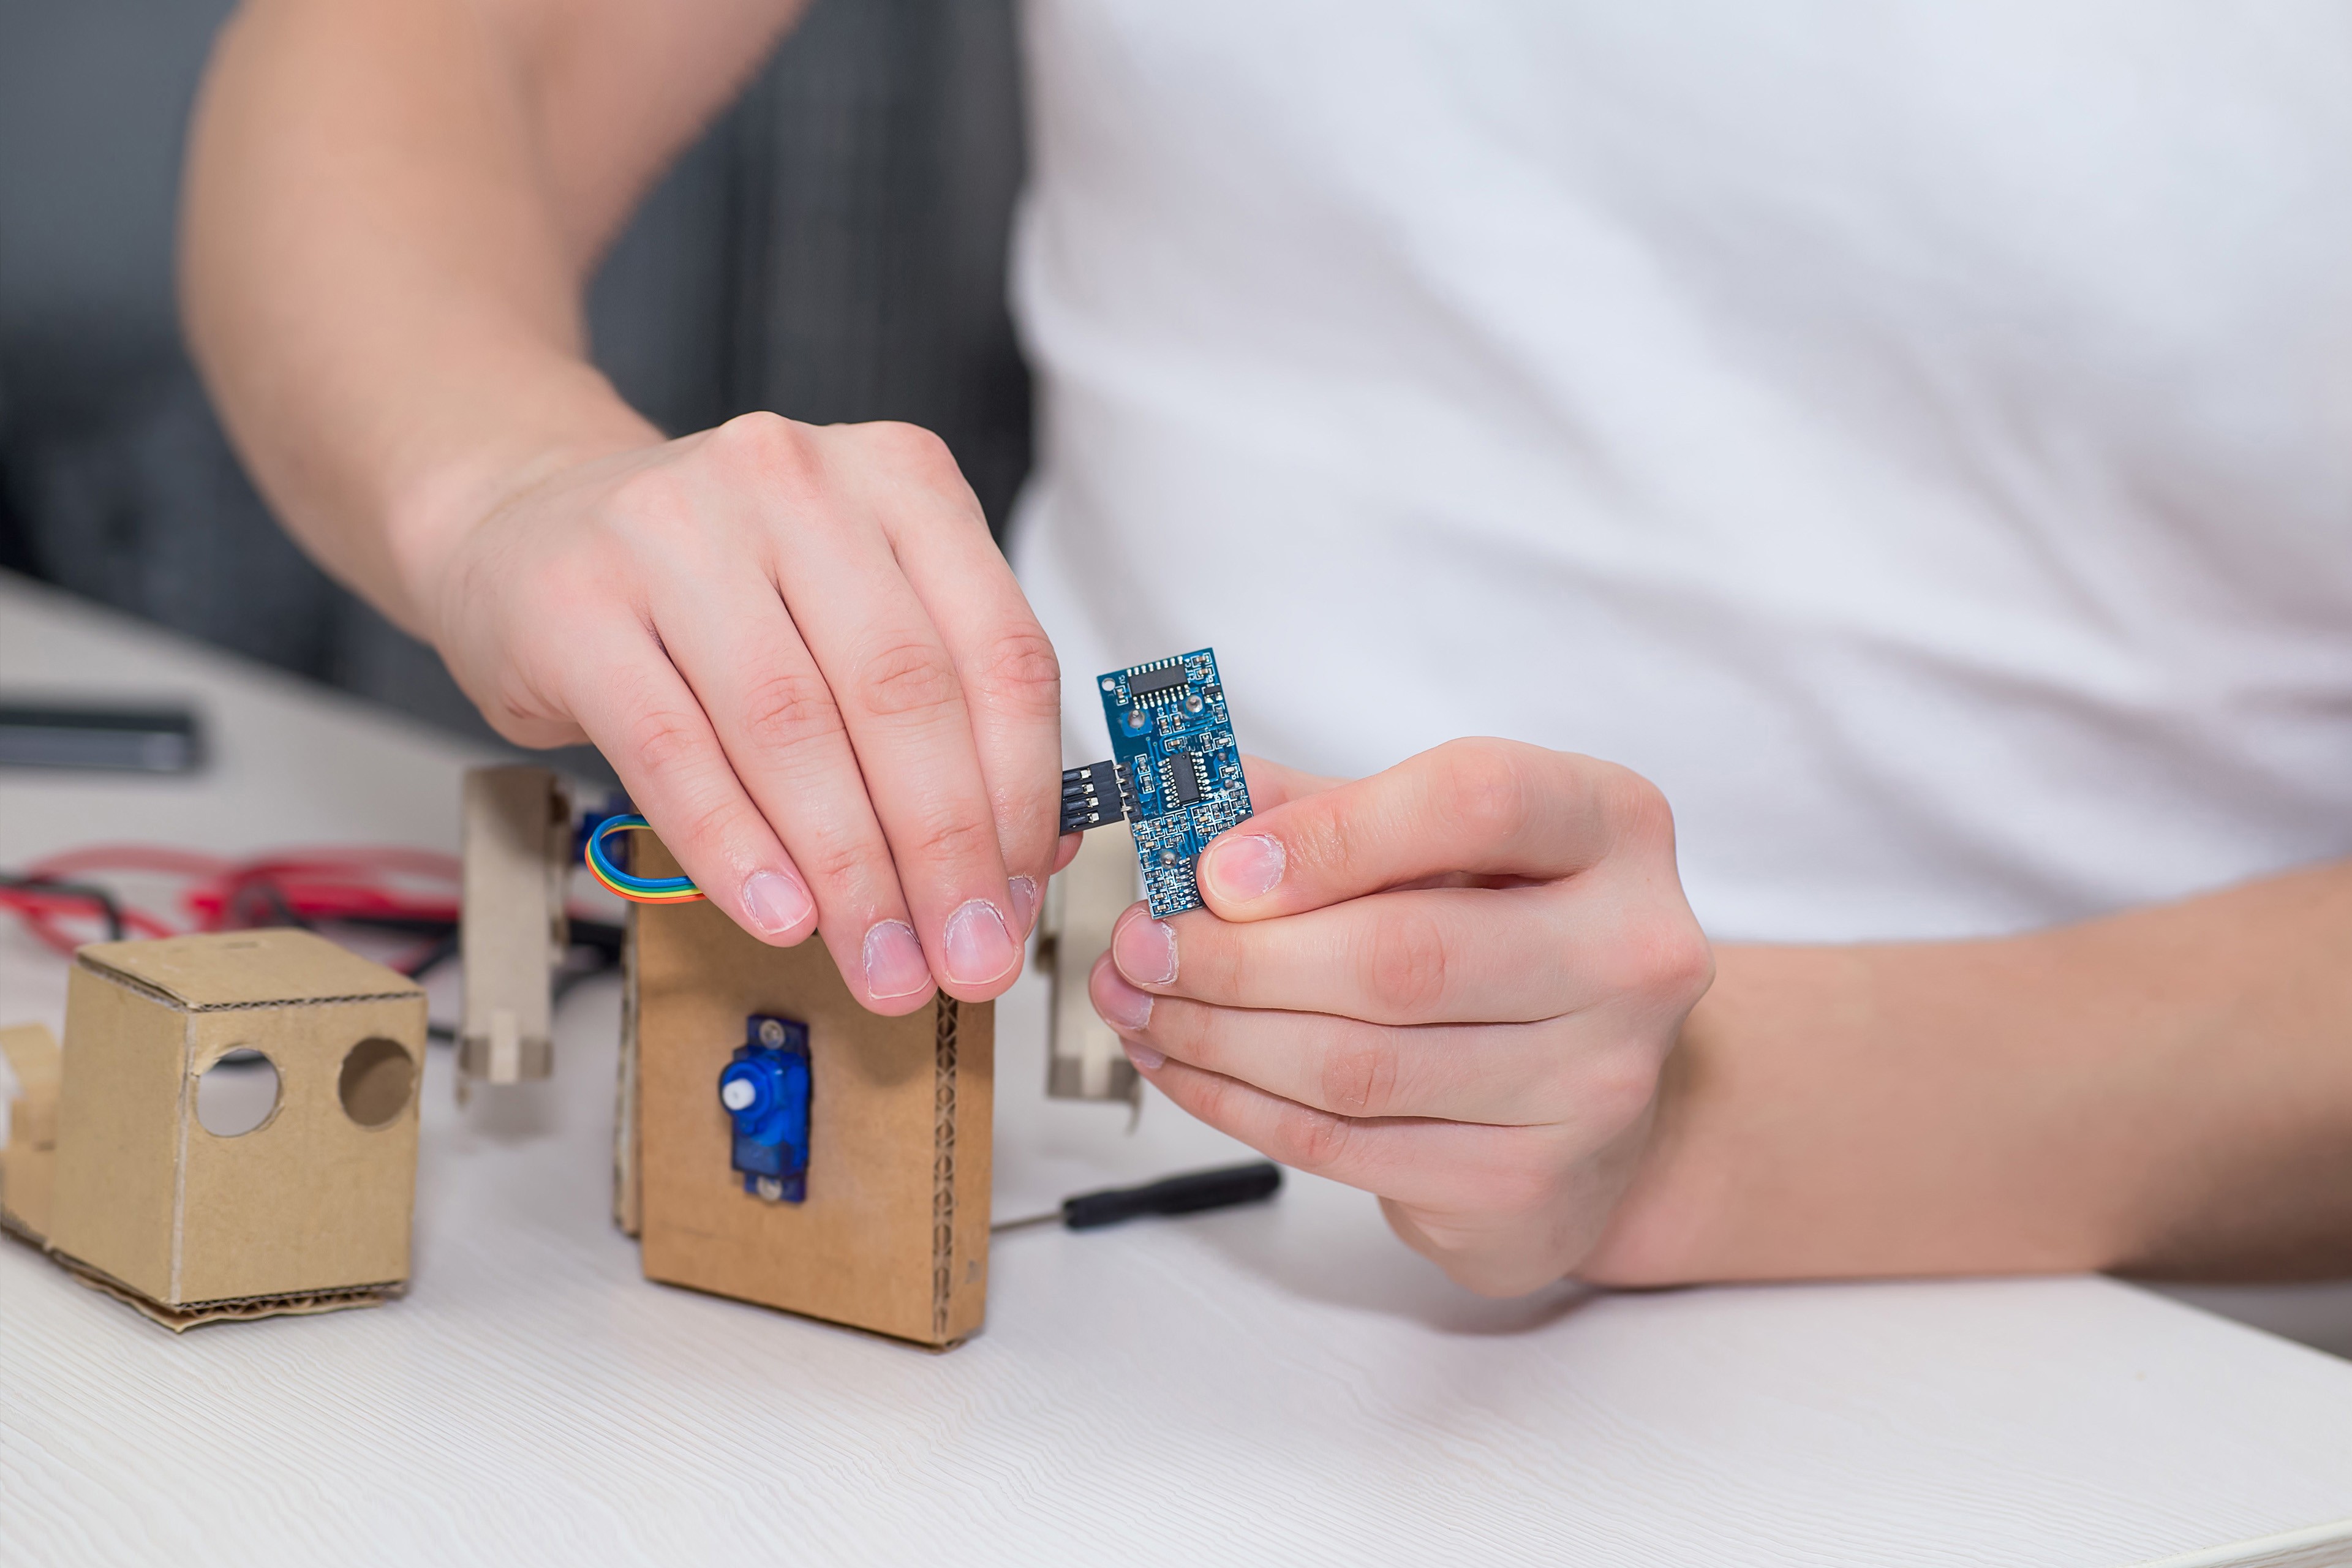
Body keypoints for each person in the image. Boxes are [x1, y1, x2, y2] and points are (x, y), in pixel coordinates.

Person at [180, 1, 2352, 1296]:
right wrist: (502, 484)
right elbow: (425, 50)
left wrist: (1717, 1121)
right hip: (1070, 1157)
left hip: (2082, 1329)